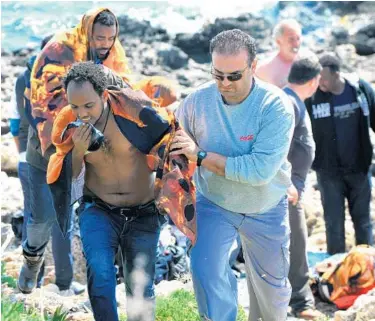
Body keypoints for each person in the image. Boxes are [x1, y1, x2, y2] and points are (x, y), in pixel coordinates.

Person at [47, 61, 196, 321]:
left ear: (104, 95)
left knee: (140, 286)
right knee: (101, 277)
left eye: (89, 105)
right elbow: (66, 179)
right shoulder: (69, 126)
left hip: (143, 212)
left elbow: (171, 137)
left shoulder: (135, 115)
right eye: (75, 106)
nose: (82, 113)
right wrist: (79, 151)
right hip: (99, 210)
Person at [173, 29, 295, 321]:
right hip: (215, 202)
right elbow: (174, 147)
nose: (224, 84)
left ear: (253, 67)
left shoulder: (276, 106)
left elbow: (258, 171)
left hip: (265, 206)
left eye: (234, 76)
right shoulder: (196, 102)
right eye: (218, 75)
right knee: (204, 268)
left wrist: (201, 156)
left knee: (272, 295)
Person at [18, 8, 130, 295]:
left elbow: (124, 94)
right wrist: (70, 133)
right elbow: (43, 107)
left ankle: (76, 283)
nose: (104, 43)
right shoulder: (59, 51)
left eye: (109, 37)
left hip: (87, 153)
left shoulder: (112, 59)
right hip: (45, 152)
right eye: (98, 37)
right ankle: (32, 257)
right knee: (42, 218)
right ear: (86, 32)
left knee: (68, 217)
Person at [305, 54, 375, 255]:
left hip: (359, 170)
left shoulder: (360, 90)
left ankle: (367, 269)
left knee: (363, 223)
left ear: (337, 73)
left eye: (324, 78)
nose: (320, 82)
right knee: (334, 226)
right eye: (318, 78)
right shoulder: (313, 96)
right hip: (329, 174)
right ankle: (335, 269)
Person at [284, 53, 324, 319]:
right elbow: (274, 146)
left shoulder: (292, 100)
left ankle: (295, 300)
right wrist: (286, 181)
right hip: (286, 192)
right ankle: (300, 304)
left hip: (291, 190)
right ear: (315, 81)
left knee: (295, 244)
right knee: (296, 245)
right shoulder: (290, 103)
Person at [256, 19, 302, 88]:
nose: (296, 44)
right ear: (278, 41)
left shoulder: (307, 61)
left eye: (298, 38)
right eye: (291, 39)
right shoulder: (264, 69)